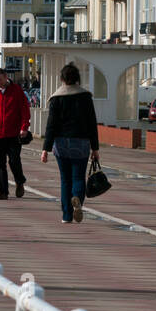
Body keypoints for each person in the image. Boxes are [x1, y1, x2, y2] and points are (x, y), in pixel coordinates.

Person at [40, 63, 100, 223]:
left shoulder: (56, 98)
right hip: (81, 143)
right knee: (78, 177)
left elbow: (51, 125)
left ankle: (66, 215)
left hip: (61, 144)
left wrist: (45, 149)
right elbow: (92, 123)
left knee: (65, 180)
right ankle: (77, 199)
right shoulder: (86, 97)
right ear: (77, 79)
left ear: (62, 79)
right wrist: (95, 148)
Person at [0, 66, 30, 199]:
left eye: (0, 80)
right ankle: (3, 192)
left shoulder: (17, 91)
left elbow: (25, 110)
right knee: (0, 163)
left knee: (14, 161)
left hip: (14, 133)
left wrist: (24, 127)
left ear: (6, 77)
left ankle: (19, 181)